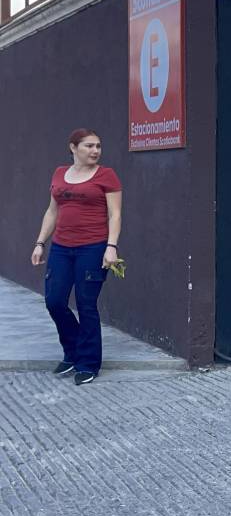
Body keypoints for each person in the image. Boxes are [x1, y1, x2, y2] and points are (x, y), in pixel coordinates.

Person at [31, 129, 123, 386]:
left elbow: (115, 214)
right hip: (61, 247)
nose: (95, 151)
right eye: (89, 146)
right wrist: (40, 243)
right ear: (73, 147)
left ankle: (88, 363)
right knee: (54, 301)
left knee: (86, 304)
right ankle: (72, 353)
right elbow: (51, 212)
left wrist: (111, 246)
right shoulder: (60, 173)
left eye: (98, 146)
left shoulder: (107, 175)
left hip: (92, 248)